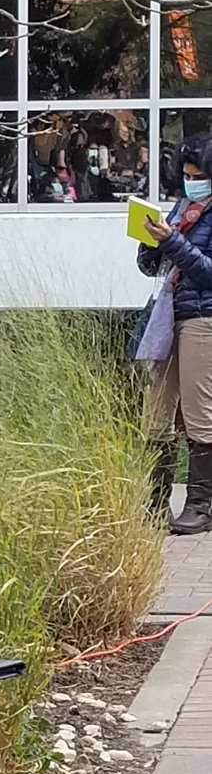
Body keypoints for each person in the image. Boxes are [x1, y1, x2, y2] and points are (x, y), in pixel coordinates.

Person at [139, 132, 212, 533]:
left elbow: (207, 272)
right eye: (185, 174)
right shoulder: (181, 208)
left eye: (197, 174)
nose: (190, 181)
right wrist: (150, 244)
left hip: (203, 317)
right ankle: (154, 503)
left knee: (200, 415)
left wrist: (175, 241)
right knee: (157, 413)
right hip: (169, 314)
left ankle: (201, 506)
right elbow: (152, 267)